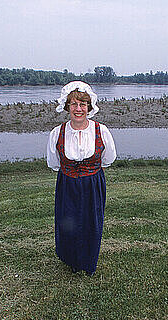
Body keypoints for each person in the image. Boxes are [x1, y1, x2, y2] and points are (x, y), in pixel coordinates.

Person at [46, 81, 117, 276]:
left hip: (93, 183)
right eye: (74, 104)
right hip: (67, 183)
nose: (78, 109)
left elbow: (107, 159)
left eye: (82, 104)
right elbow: (54, 163)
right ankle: (71, 260)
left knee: (91, 222)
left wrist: (88, 172)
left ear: (89, 107)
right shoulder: (56, 133)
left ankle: (88, 261)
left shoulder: (101, 131)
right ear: (67, 107)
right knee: (68, 222)